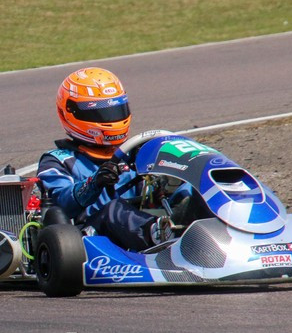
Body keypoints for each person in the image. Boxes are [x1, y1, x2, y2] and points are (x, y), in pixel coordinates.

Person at [37, 67, 183, 251]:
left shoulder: (134, 153)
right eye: (100, 112)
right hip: (87, 240)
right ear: (71, 112)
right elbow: (62, 204)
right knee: (114, 210)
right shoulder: (57, 161)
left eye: (115, 110)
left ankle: (201, 226)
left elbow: (153, 198)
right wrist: (93, 183)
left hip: (138, 229)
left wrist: (166, 179)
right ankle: (160, 235)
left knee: (186, 190)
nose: (111, 119)